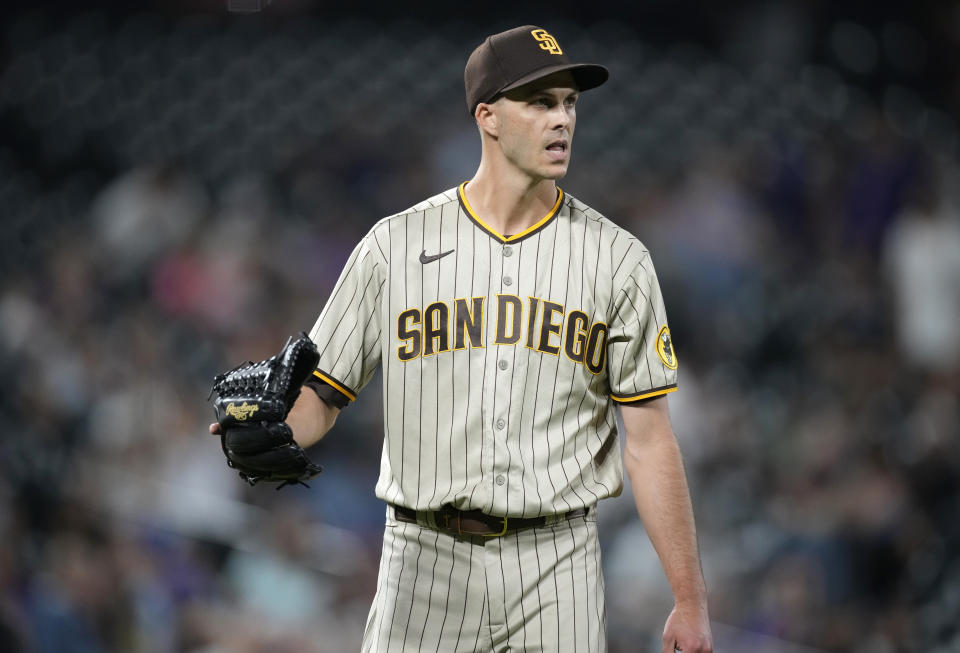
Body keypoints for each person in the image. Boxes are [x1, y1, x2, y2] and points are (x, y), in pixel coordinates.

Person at [213, 24, 712, 653]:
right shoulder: (393, 248)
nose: (561, 119)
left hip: (557, 562)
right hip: (423, 560)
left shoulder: (618, 259)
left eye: (569, 103)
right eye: (540, 102)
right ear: (488, 117)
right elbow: (322, 395)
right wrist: (274, 425)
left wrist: (689, 599)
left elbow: (649, 438)